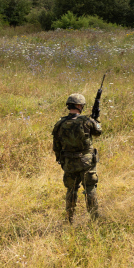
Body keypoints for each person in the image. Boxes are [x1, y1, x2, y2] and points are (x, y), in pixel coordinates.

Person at [52, 93, 102, 224]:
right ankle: (94, 218)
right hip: (86, 162)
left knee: (71, 190)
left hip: (68, 162)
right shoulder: (87, 121)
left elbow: (56, 146)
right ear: (80, 106)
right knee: (90, 188)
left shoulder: (60, 123)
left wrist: (61, 160)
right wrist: (95, 120)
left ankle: (69, 218)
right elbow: (98, 132)